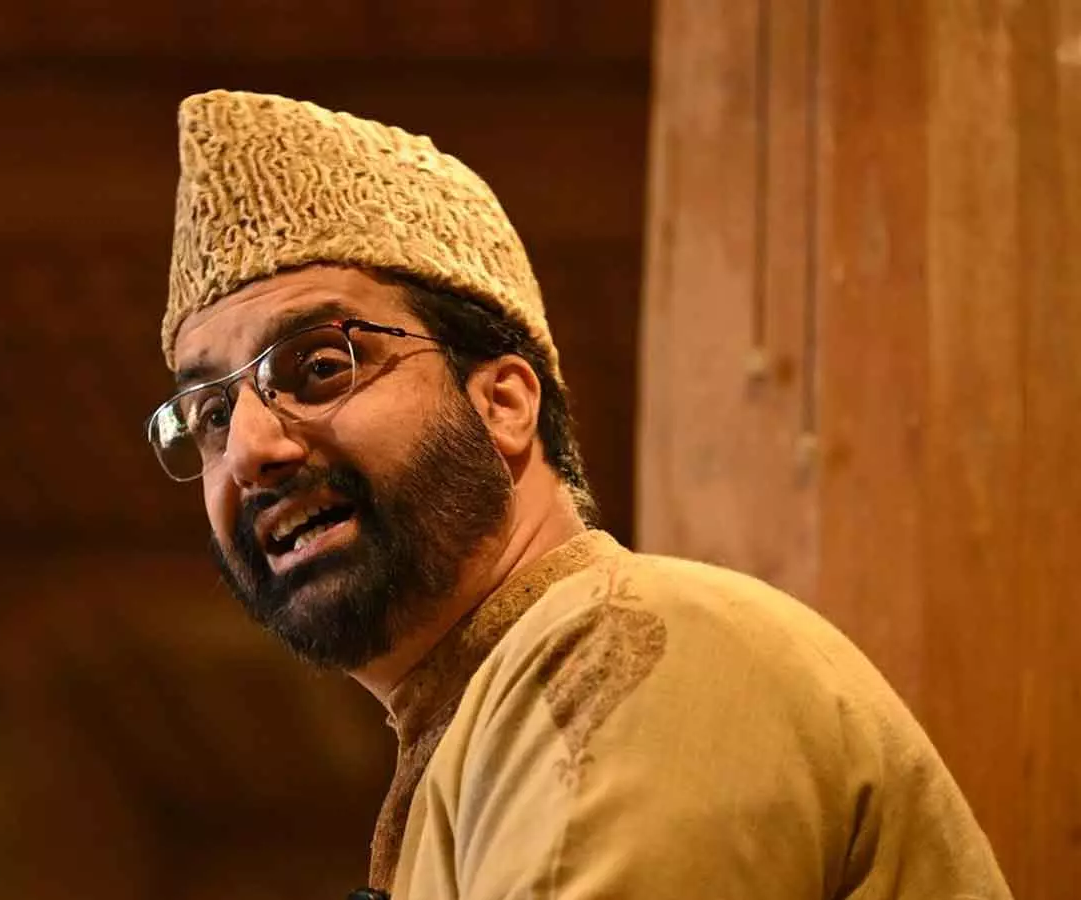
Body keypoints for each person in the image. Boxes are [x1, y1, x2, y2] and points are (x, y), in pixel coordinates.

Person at [147, 89, 1012, 900]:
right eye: (212, 414)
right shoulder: (476, 727)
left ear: (503, 402)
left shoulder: (620, 646)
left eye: (320, 366)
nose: (250, 449)